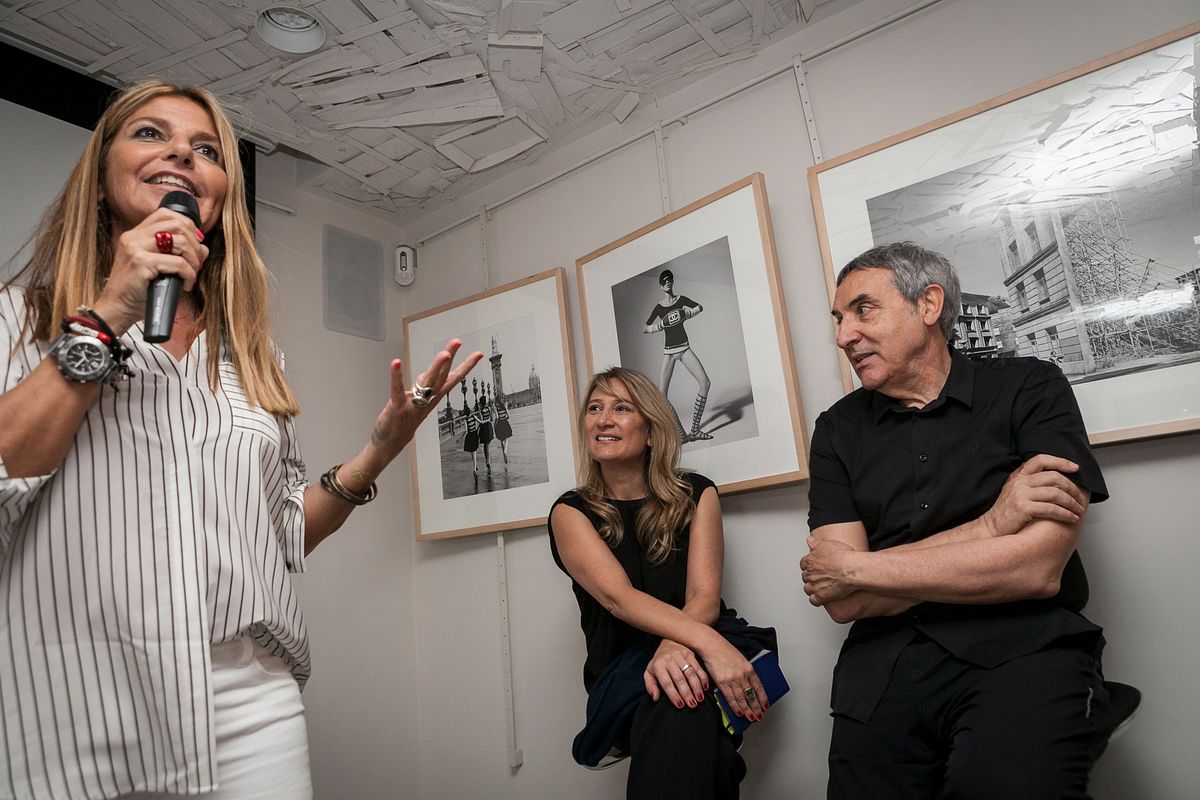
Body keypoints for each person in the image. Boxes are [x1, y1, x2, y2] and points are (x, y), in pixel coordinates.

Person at [0, 80, 481, 800]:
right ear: (99, 177)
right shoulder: (22, 319)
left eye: (206, 149)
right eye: (151, 134)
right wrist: (109, 314)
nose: (181, 156)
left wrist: (379, 450)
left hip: (249, 695)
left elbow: (280, 533)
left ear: (221, 197)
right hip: (76, 691)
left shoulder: (252, 359)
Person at [800, 242, 1118, 799]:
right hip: (883, 668)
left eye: (863, 310)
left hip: (1023, 650)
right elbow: (841, 601)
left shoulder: (1030, 387)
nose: (844, 335)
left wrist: (857, 569)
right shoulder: (835, 429)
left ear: (928, 304)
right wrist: (992, 527)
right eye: (839, 318)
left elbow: (1037, 568)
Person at [548, 367, 770, 800]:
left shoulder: (697, 493)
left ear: (651, 431)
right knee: (692, 718)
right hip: (625, 673)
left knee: (683, 709)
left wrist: (675, 648)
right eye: (594, 408)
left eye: (621, 408)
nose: (603, 419)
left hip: (700, 646)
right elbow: (620, 599)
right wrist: (707, 646)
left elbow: (703, 597)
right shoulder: (570, 512)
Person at [642, 269, 712, 443]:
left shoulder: (681, 300)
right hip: (669, 352)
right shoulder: (659, 307)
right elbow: (645, 328)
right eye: (664, 281)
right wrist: (660, 326)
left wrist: (688, 314)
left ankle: (694, 431)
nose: (667, 282)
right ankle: (681, 434)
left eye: (669, 279)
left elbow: (699, 307)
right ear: (661, 286)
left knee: (705, 383)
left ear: (672, 282)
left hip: (684, 348)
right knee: (662, 396)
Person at [493, 390, 513, 465]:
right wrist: (506, 415)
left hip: (499, 423)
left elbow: (497, 417)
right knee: (507, 438)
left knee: (501, 440)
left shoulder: (496, 407)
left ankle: (503, 453)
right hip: (505, 422)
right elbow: (508, 416)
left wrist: (495, 424)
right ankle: (505, 451)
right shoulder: (504, 406)